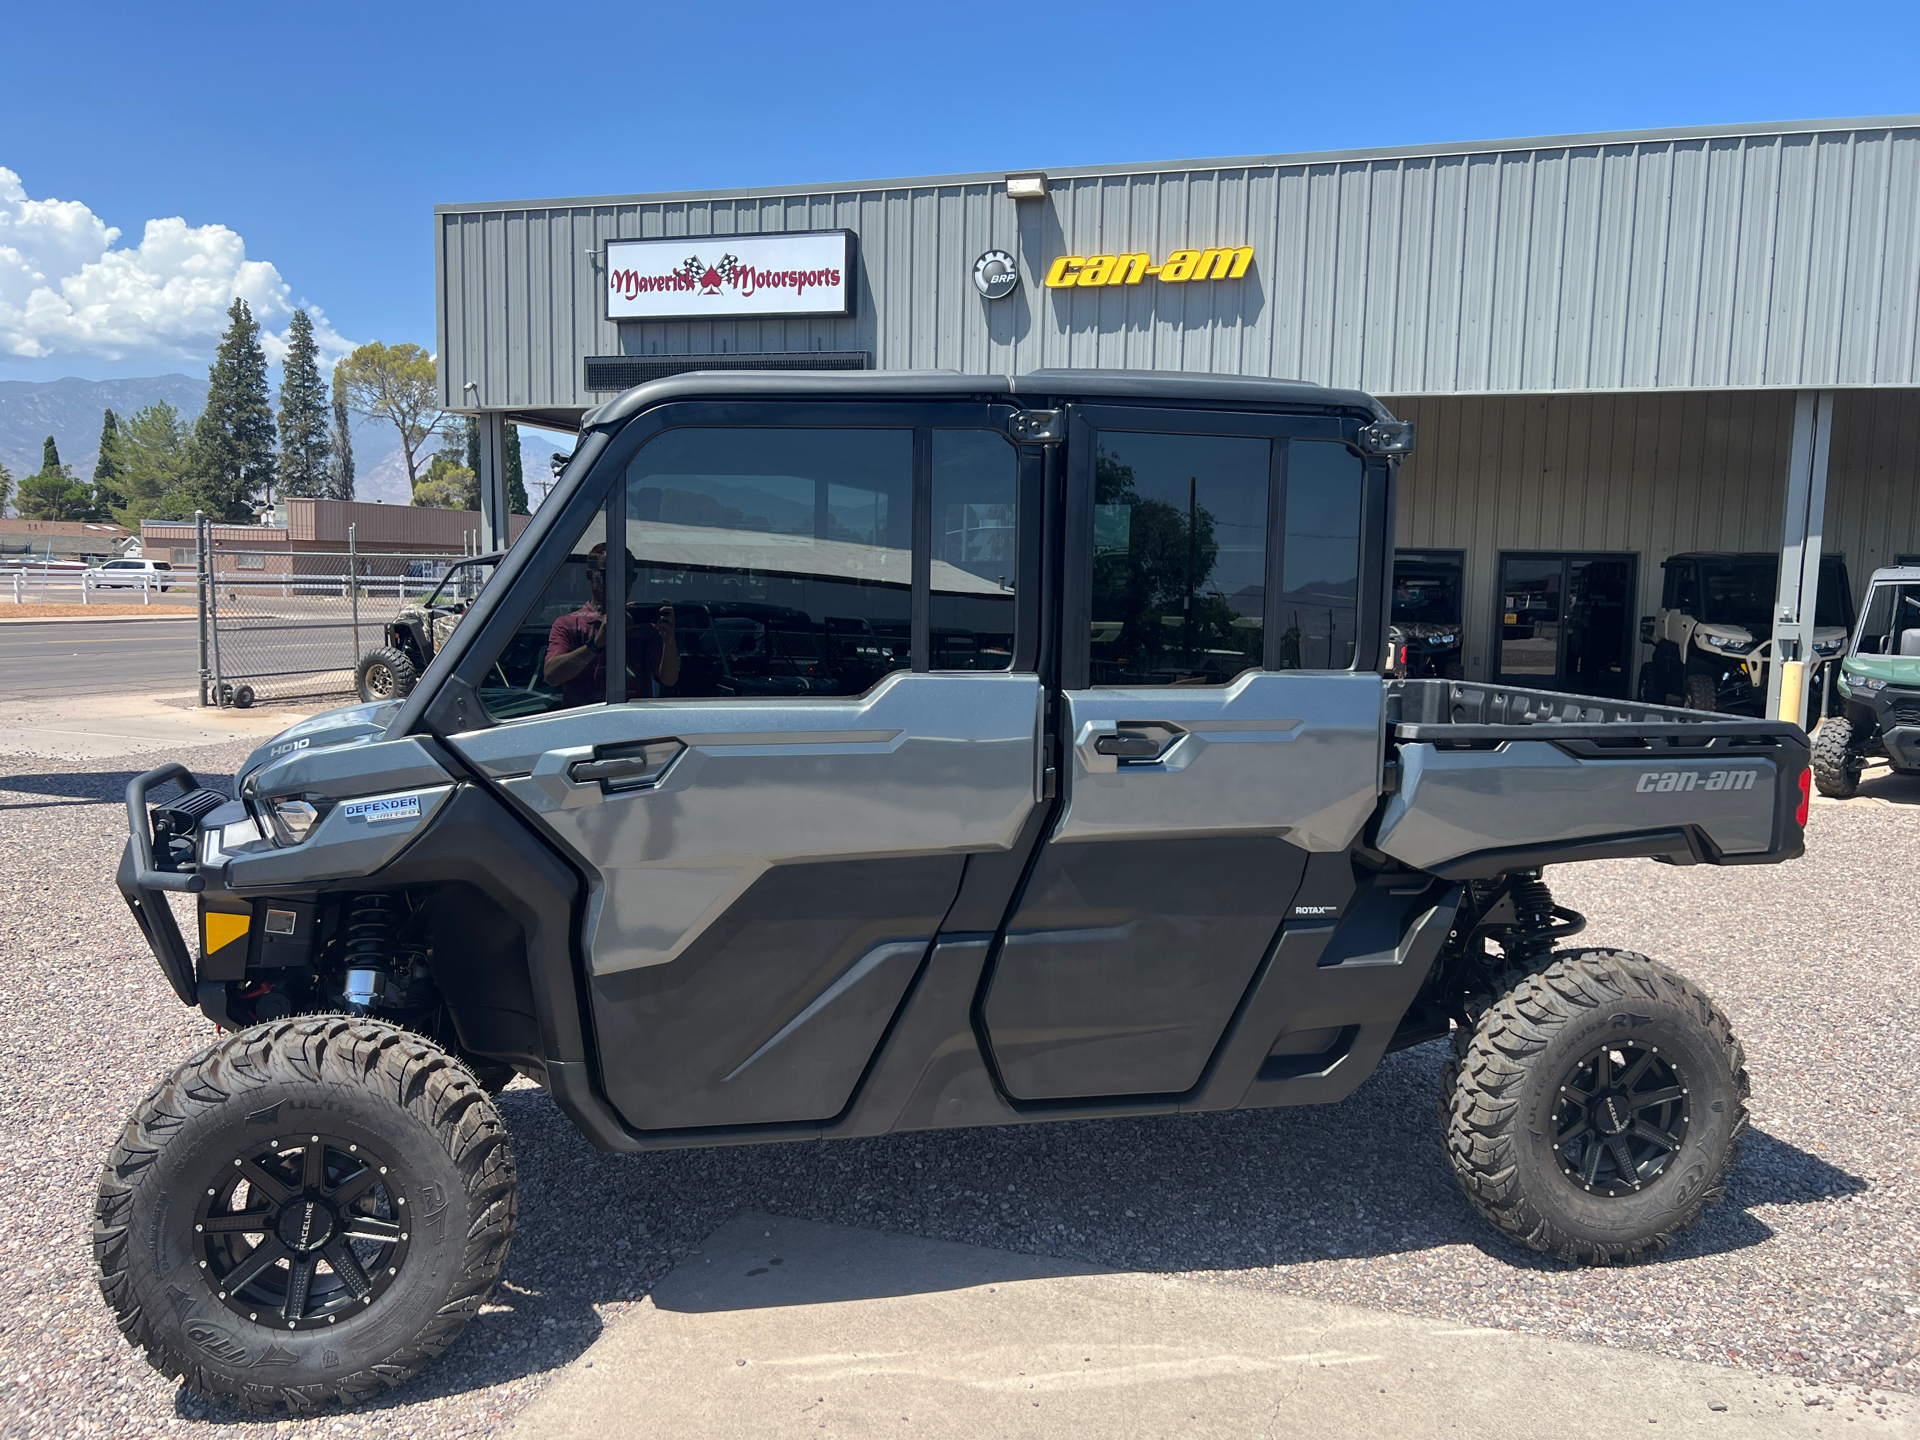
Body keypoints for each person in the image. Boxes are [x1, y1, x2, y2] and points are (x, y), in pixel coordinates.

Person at [544, 543, 680, 706]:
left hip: (635, 722)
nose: (621, 582)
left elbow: (669, 679)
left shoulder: (645, 628)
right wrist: (596, 644)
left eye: (628, 576)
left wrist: (669, 638)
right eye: (611, 574)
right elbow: (552, 675)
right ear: (589, 576)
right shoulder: (569, 624)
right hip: (582, 720)